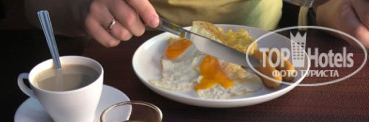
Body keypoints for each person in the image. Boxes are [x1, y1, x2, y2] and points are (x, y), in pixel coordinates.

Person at [24, 0, 369, 49]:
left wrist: (337, 13)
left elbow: (324, 6)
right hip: (133, 63)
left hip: (270, 50)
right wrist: (79, 7)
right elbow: (33, 7)